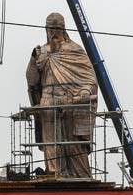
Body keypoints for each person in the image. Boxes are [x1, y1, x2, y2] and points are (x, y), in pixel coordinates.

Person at [25, 12, 98, 179]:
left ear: (64, 29)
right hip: (48, 102)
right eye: (51, 28)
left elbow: (90, 79)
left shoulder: (75, 50)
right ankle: (54, 173)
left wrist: (85, 91)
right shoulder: (41, 52)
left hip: (69, 102)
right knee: (51, 143)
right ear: (46, 29)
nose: (54, 32)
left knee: (73, 144)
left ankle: (78, 175)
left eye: (57, 28)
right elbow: (32, 80)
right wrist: (32, 60)